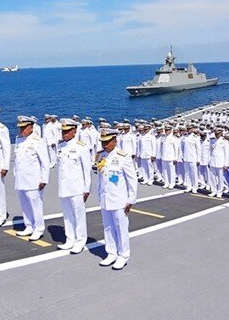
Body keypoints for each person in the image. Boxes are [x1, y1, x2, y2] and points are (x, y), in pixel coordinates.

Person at [96, 128, 137, 270]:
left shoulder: (123, 156)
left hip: (119, 200)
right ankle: (111, 253)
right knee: (108, 228)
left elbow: (132, 179)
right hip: (105, 198)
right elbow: (101, 178)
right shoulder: (101, 156)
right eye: (103, 142)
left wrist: (131, 200)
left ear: (115, 140)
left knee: (121, 228)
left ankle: (123, 255)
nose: (105, 145)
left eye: (107, 142)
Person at [57, 118, 92, 253]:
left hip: (77, 187)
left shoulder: (81, 147)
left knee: (79, 215)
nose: (64, 134)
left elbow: (86, 169)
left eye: (67, 131)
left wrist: (86, 188)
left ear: (74, 131)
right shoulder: (61, 146)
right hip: (64, 187)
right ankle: (69, 239)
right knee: (67, 215)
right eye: (63, 131)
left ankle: (80, 241)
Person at [13, 115, 50, 241]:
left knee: (35, 205)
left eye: (24, 127)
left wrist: (44, 179)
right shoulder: (18, 140)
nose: (21, 130)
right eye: (20, 127)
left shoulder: (38, 141)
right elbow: (17, 160)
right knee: (25, 204)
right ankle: (29, 226)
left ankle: (38, 228)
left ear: (31, 127)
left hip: (34, 180)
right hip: (21, 179)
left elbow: (45, 162)